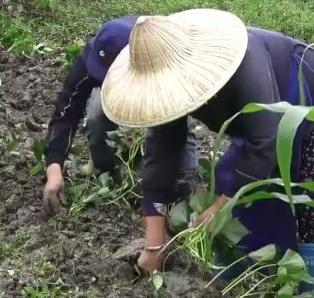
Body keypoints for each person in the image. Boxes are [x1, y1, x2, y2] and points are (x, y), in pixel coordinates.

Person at [99, 9, 314, 298]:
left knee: (313, 203)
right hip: (259, 128)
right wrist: (154, 245)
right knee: (244, 194)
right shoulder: (170, 91)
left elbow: (265, 139)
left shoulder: (244, 59)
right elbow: (160, 160)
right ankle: (261, 287)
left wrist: (219, 208)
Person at [42, 16, 199, 215]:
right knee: (96, 120)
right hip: (125, 79)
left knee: (181, 176)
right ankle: (111, 175)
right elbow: (66, 112)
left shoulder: (162, 63)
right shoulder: (93, 56)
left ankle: (180, 182)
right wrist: (54, 170)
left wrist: (139, 133)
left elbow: (175, 122)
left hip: (159, 88)